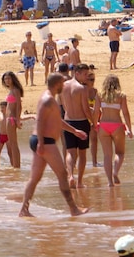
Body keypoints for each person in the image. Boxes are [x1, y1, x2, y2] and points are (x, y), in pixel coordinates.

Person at [20, 74, 90, 217]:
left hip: (41, 141)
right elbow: (39, 121)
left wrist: (75, 131)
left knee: (34, 178)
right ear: (57, 83)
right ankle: (73, 209)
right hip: (44, 142)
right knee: (62, 174)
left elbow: (57, 121)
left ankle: (24, 210)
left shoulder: (48, 98)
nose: (64, 86)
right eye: (62, 83)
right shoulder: (48, 100)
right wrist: (40, 141)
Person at [93, 74, 133, 187]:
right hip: (117, 125)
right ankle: (115, 172)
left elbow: (96, 111)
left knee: (107, 155)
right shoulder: (121, 96)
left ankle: (110, 182)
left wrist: (95, 124)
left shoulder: (100, 95)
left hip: (104, 125)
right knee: (120, 152)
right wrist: (129, 128)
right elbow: (125, 113)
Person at [62, 63, 93, 188]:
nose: (86, 77)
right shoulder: (81, 88)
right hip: (81, 121)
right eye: (85, 74)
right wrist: (93, 122)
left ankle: (70, 176)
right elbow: (85, 109)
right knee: (82, 153)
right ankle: (79, 182)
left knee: (70, 152)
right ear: (77, 73)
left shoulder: (63, 86)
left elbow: (63, 105)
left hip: (68, 121)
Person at [1, 71, 26, 168]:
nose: (7, 81)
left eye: (8, 79)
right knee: (12, 144)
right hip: (9, 118)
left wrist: (18, 119)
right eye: (5, 79)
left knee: (13, 144)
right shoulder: (11, 90)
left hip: (11, 118)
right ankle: (15, 166)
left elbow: (19, 106)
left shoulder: (15, 90)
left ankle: (17, 166)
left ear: (13, 79)